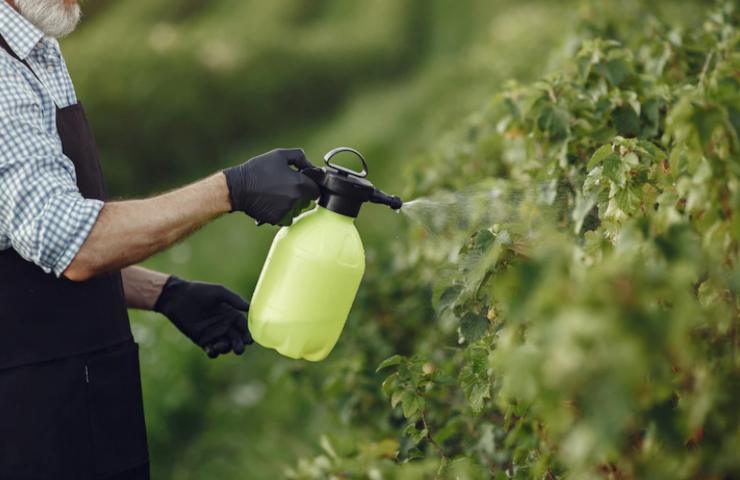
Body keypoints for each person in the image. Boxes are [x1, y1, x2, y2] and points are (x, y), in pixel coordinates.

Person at [0, 0, 320, 478]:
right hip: (28, 421)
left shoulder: (36, 51)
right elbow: (77, 242)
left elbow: (29, 244)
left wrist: (165, 293)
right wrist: (230, 189)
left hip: (77, 399)